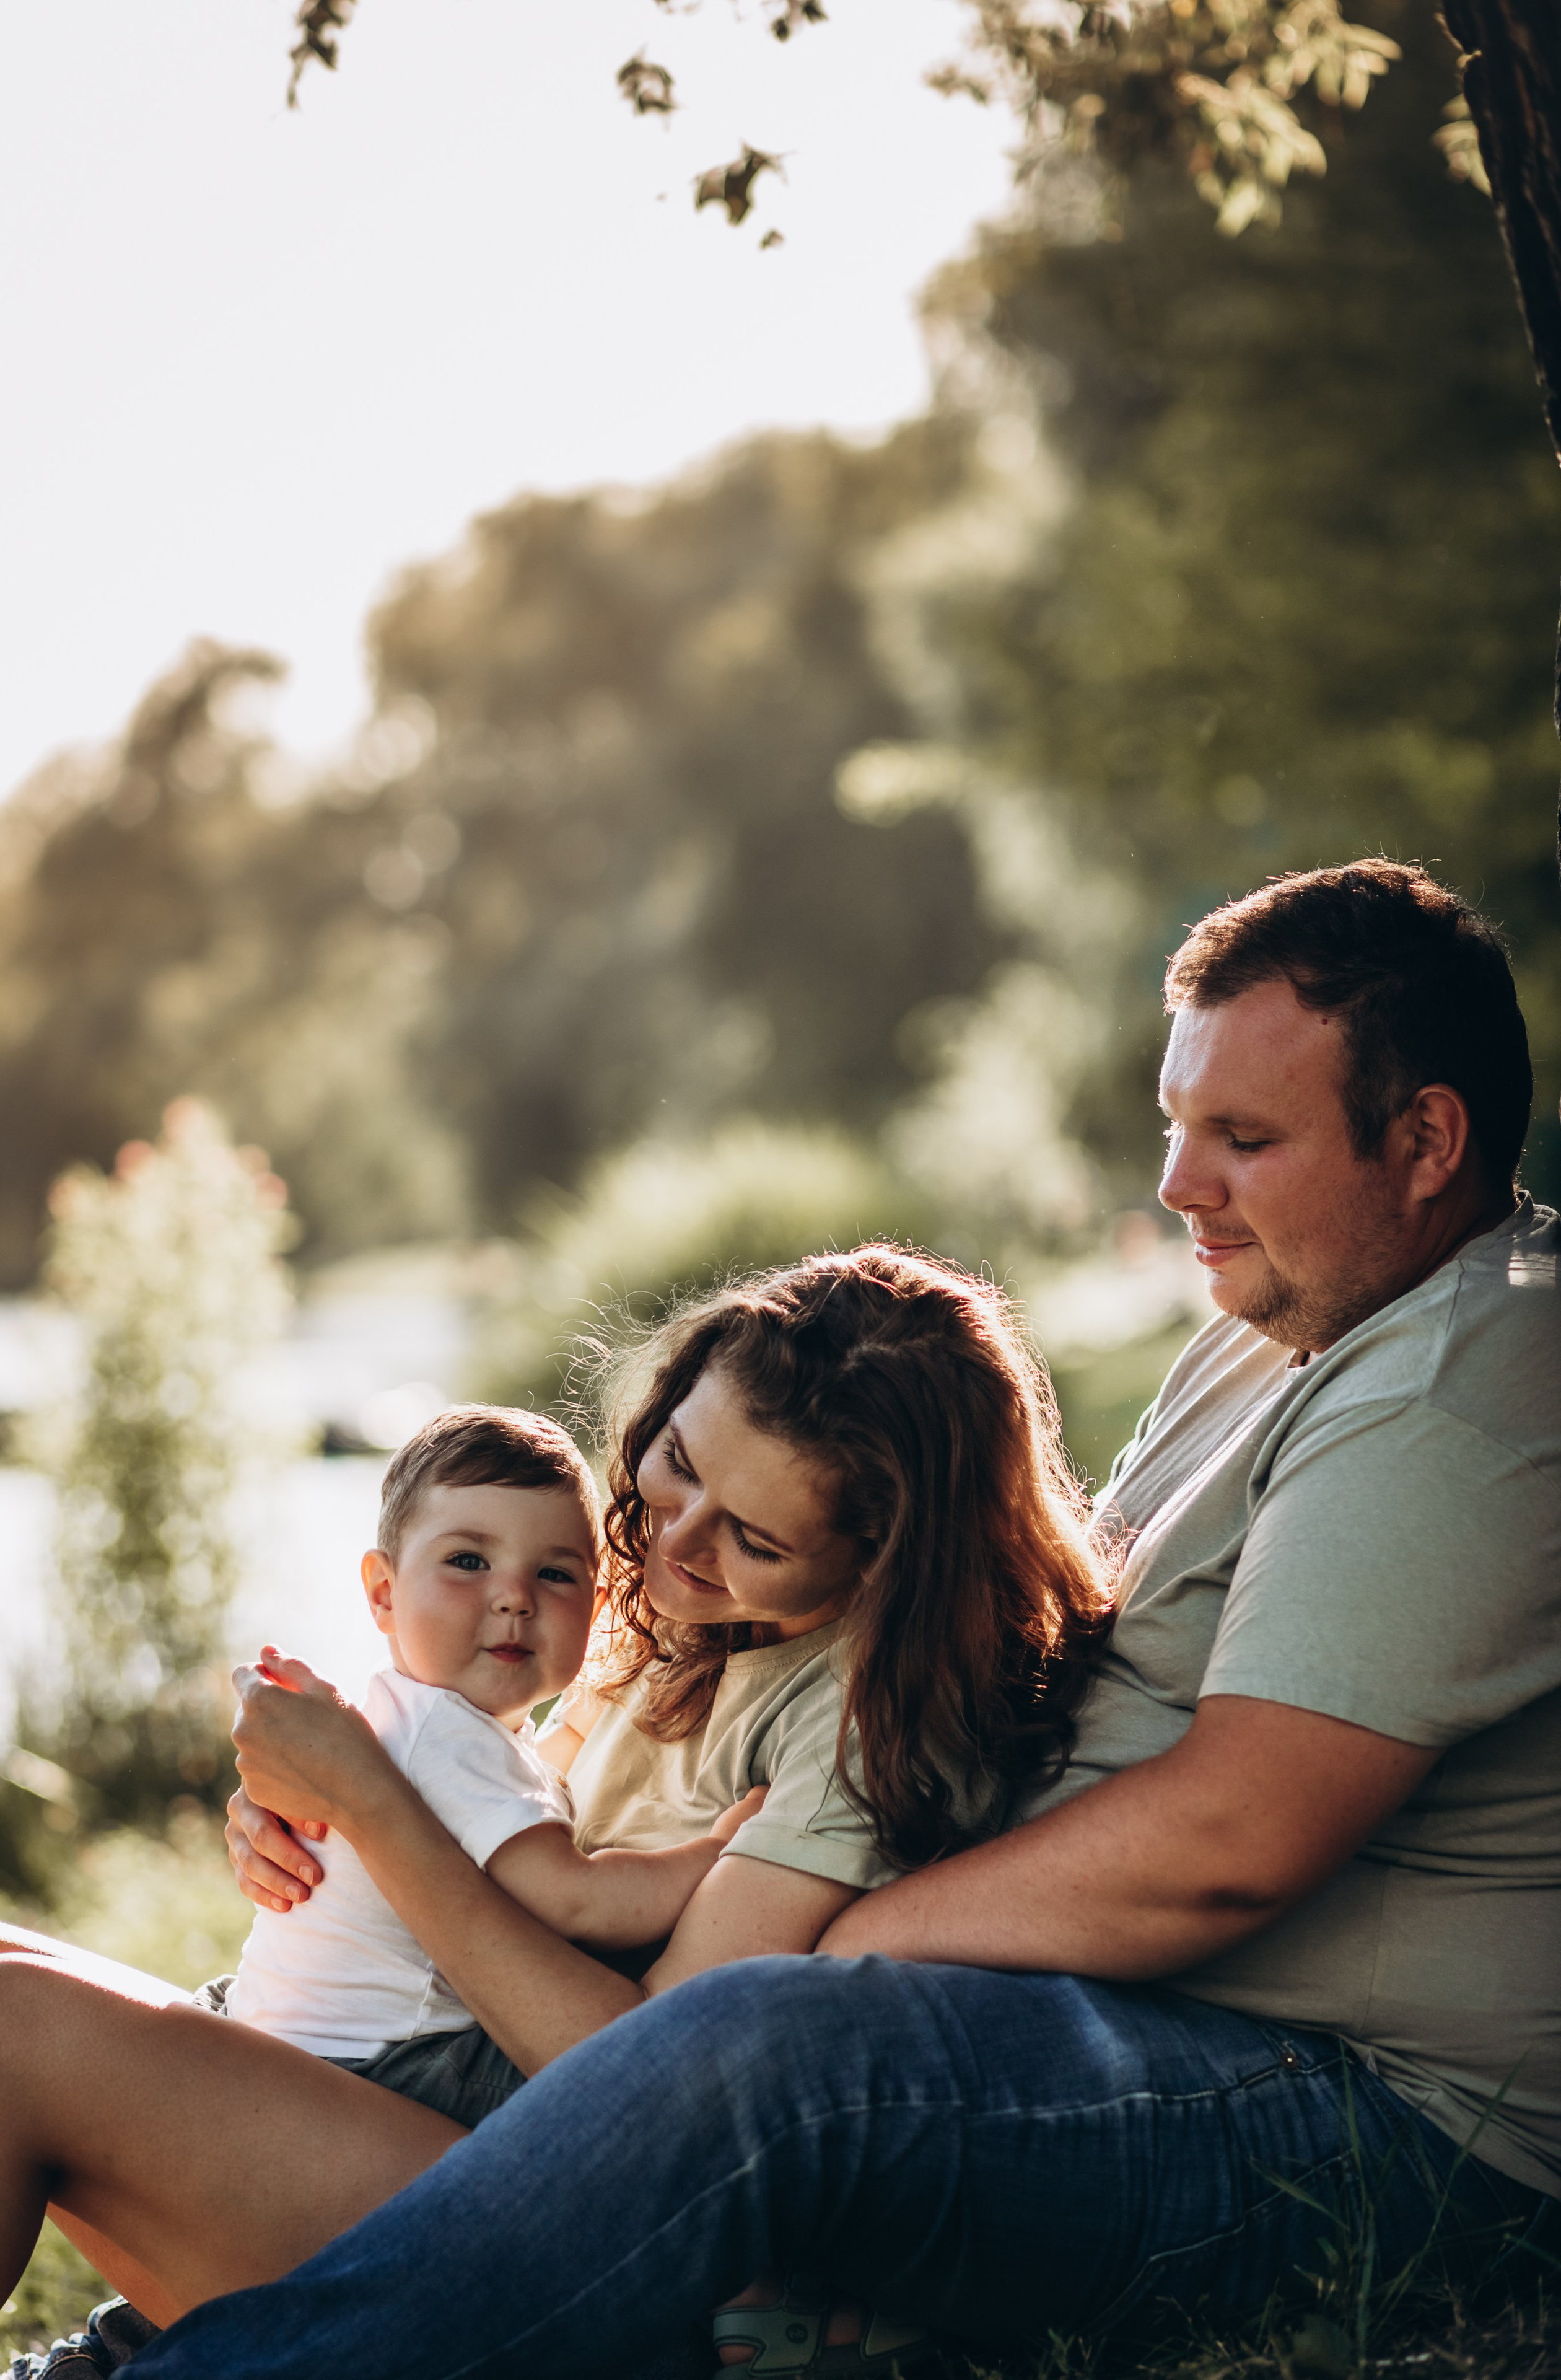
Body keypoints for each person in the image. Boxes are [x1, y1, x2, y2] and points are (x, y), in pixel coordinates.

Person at [118, 858, 1561, 2380]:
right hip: (1134, 2021)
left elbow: (1226, 1843)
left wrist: (841, 1940)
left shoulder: (1451, 1381)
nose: (1175, 1185)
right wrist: (378, 1797)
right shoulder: (1283, 1316)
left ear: (1424, 1140)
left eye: (1243, 1139)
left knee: (756, 2047)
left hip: (1372, 2114)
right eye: (1175, 1124)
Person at [0, 1245, 1109, 2370]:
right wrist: (309, 1817)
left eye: (755, 1539)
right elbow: (475, 1802)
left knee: (8, 2027)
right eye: (678, 1464)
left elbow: (653, 2096)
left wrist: (371, 1805)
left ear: (885, 1562)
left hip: (564, 2203)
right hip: (405, 2102)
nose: (675, 1542)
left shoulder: (865, 1728)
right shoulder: (671, 1623)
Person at [209, 1404, 766, 2123]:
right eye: (468, 1562)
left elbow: (533, 1794)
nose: (514, 1597)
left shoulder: (412, 1718)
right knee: (637, 2104)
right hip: (385, 2063)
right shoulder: (447, 1738)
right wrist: (716, 1852)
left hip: (281, 2026)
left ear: (596, 1608)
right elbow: (577, 1900)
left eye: (554, 1573)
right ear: (384, 1592)